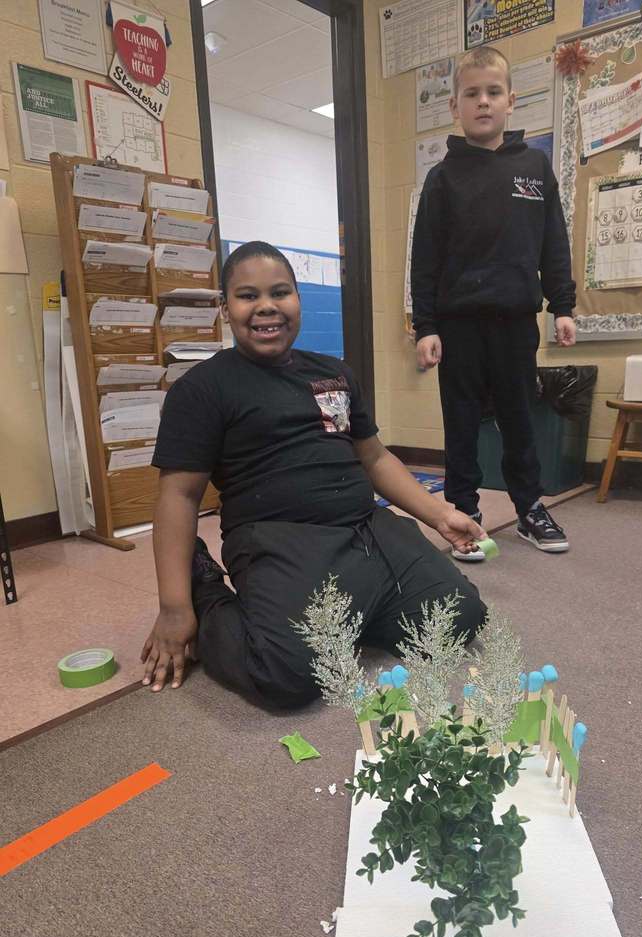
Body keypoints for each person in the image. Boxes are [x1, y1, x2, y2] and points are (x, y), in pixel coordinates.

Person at [140, 241, 487, 700]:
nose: (266, 306)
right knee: (284, 674)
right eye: (247, 296)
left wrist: (439, 515)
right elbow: (179, 496)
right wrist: (175, 606)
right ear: (226, 309)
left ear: (298, 299)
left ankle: (348, 617)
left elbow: (375, 458)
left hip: (367, 532)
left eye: (280, 292)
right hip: (282, 539)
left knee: (460, 617)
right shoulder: (202, 389)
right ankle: (203, 581)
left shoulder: (334, 373)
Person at [411, 45, 577, 562]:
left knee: (518, 417)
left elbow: (554, 242)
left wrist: (563, 305)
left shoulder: (534, 167)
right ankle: (464, 510)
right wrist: (426, 326)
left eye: (493, 92)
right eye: (471, 94)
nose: (483, 102)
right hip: (458, 325)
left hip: (514, 321)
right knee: (460, 421)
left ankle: (529, 507)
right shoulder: (441, 179)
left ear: (511, 101)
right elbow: (425, 259)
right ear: (455, 107)